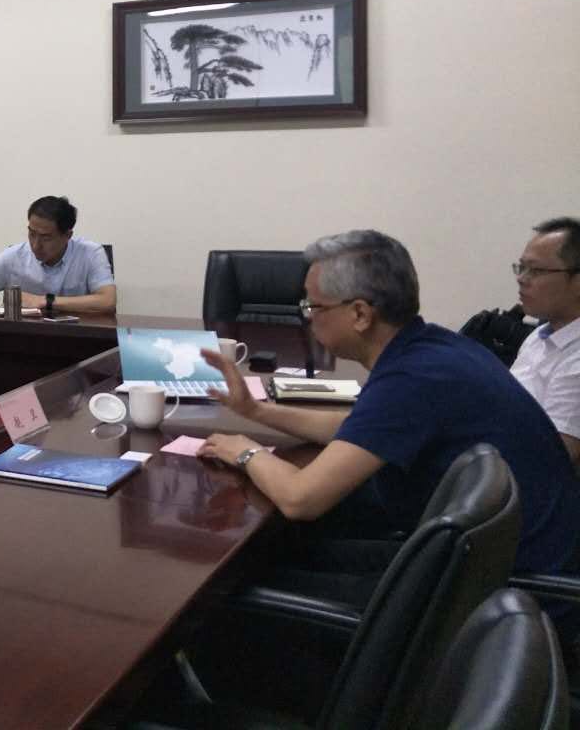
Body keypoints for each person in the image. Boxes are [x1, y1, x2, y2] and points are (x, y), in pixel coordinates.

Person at [198, 229, 580, 577]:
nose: (308, 318)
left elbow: (301, 499)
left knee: (256, 565)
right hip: (489, 556)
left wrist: (244, 451)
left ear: (360, 314)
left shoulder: (415, 377)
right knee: (292, 541)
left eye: (313, 307)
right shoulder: (432, 348)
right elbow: (358, 429)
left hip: (503, 585)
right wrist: (256, 411)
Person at [0, 195, 116, 314]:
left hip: (79, 340)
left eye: (46, 238)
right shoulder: (14, 256)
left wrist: (45, 301)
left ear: (67, 235)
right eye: (31, 234)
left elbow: (108, 301)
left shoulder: (90, 253)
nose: (36, 245)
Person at [510, 217, 580, 465]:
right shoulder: (538, 336)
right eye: (521, 267)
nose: (522, 278)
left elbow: (556, 456)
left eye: (536, 270)